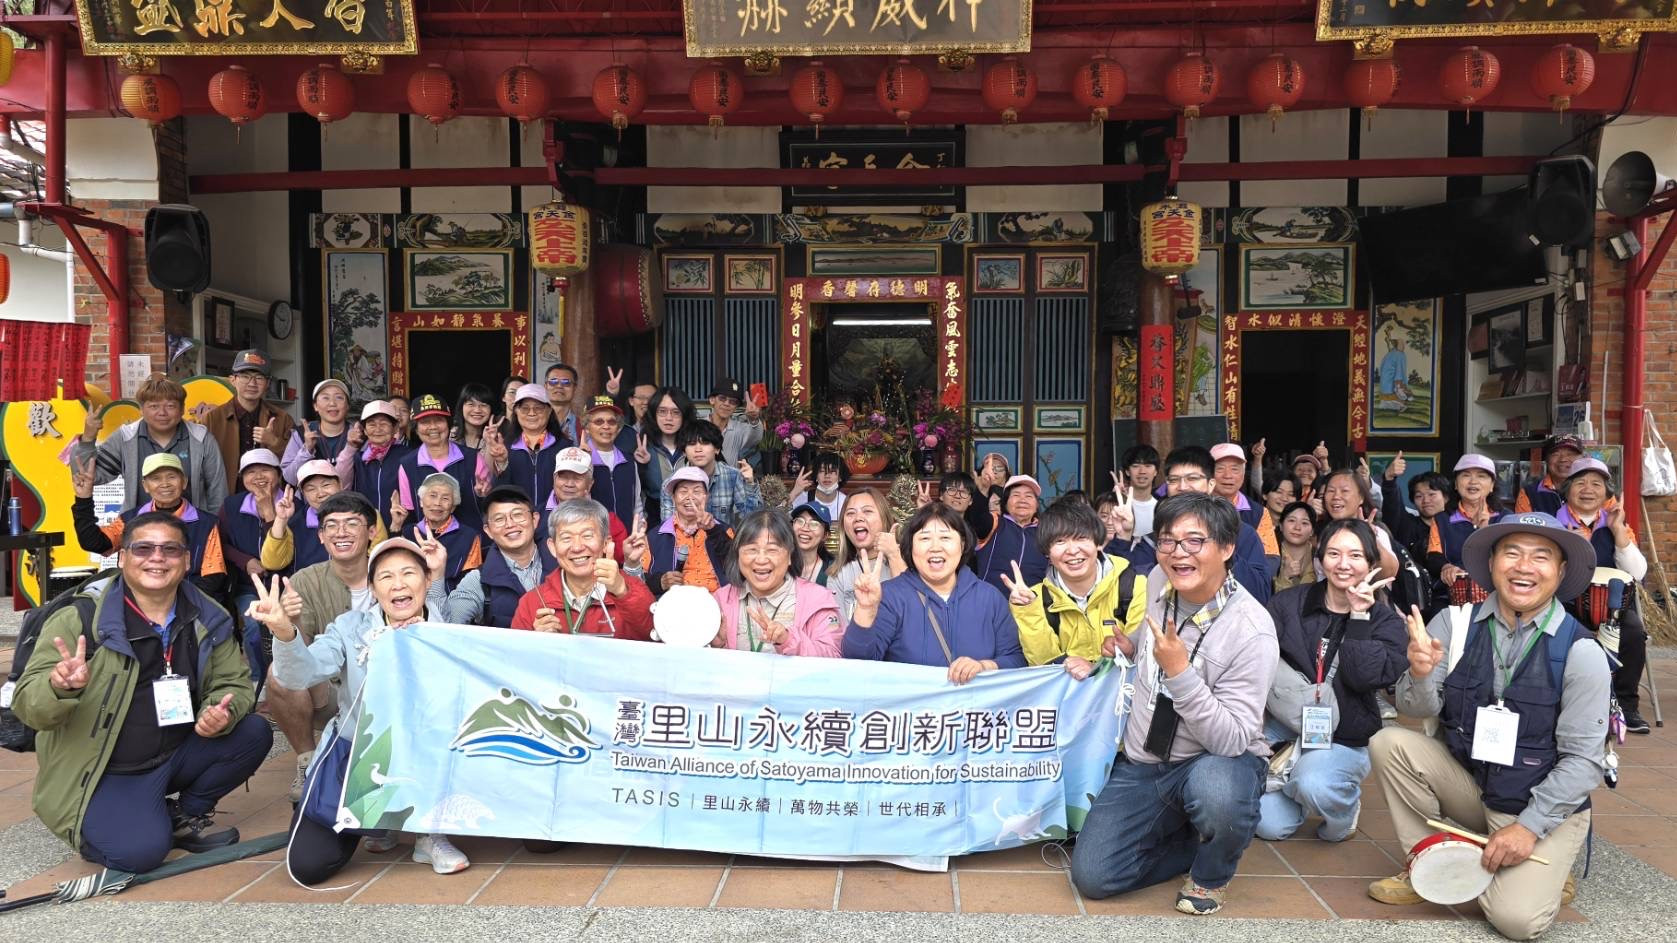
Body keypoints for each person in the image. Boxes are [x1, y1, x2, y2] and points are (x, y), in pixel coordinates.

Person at [1368, 512, 1607, 940]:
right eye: (1511, 553)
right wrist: (1420, 673)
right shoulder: (1454, 624)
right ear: (1493, 562)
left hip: (1535, 801)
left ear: (1560, 571)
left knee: (1516, 921)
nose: (1523, 566)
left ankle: (1542, 868)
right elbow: (1413, 707)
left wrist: (1528, 828)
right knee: (1390, 743)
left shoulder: (1582, 652)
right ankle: (1426, 860)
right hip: (1474, 783)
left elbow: (1585, 762)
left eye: (1541, 556)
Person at [11, 511, 271, 873]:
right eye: (143, 548)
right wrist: (59, 686)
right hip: (105, 768)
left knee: (253, 732)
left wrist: (219, 712)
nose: (157, 558)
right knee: (139, 854)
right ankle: (120, 819)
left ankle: (182, 814)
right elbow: (29, 707)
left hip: (174, 754)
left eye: (170, 549)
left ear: (186, 560)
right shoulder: (82, 618)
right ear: (123, 557)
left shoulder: (209, 616)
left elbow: (234, 684)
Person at [1070, 493, 1279, 916]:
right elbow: (1152, 641)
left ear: (1227, 547)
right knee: (1093, 877)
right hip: (1144, 761)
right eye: (1167, 540)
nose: (1178, 553)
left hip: (1212, 761)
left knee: (1219, 793)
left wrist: (1180, 672)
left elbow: (1233, 740)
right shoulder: (1157, 581)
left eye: (1194, 541)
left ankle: (1211, 871)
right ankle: (1188, 837)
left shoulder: (1252, 630)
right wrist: (1132, 647)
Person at [259, 536, 474, 881]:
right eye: (386, 576)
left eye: (408, 573)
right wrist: (285, 632)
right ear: (373, 589)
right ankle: (381, 822)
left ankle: (428, 833)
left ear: (427, 580)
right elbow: (301, 674)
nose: (398, 584)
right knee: (308, 864)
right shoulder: (350, 628)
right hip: (360, 755)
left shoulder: (447, 631)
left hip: (429, 756)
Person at [1257, 519, 1407, 843]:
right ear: (1320, 557)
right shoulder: (1288, 603)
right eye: (1334, 553)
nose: (1343, 564)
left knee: (1314, 784)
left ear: (1371, 562)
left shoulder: (1385, 621)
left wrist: (1359, 618)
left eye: (1355, 555)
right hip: (1286, 726)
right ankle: (1298, 779)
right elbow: (1256, 661)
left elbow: (1363, 677)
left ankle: (1342, 809)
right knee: (1268, 825)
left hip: (1344, 736)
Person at [264, 491, 384, 800]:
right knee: (278, 674)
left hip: (387, 689)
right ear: (320, 536)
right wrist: (287, 626)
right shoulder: (305, 581)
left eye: (351, 523)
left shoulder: (392, 574)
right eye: (331, 525)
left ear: (372, 531)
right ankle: (307, 761)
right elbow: (300, 659)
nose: (341, 532)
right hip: (332, 690)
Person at [841, 503, 1025, 682]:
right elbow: (857, 663)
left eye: (945, 538)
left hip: (974, 703)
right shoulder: (890, 596)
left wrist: (984, 666)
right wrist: (866, 609)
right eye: (925, 538)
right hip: (912, 703)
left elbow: (1016, 660)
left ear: (962, 544)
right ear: (911, 547)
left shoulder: (989, 598)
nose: (935, 547)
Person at [1556, 458, 1651, 733]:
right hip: (1565, 604)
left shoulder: (1616, 524)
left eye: (1596, 484)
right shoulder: (1553, 523)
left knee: (1633, 631)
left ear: (1606, 493)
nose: (1588, 489)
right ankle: (1568, 704)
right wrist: (1575, 548)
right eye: (1580, 483)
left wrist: (1618, 530)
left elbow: (1637, 572)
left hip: (1611, 608)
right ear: (1568, 489)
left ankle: (1625, 705)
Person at [1003, 500, 1147, 675]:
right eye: (1060, 541)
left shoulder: (1133, 586)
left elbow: (1141, 656)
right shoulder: (1035, 599)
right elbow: (1042, 666)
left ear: (1098, 543)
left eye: (1081, 538)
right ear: (1047, 552)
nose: (1072, 550)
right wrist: (1028, 611)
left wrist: (1096, 669)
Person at [72, 451, 228, 599]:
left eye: (172, 477)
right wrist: (83, 499)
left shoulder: (206, 523)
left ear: (184, 482)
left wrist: (174, 604)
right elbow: (95, 543)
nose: (165, 484)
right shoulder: (130, 520)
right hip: (137, 604)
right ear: (145, 486)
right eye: (155, 478)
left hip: (189, 605)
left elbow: (213, 576)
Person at [74, 372, 228, 513]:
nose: (162, 413)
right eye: (154, 406)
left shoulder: (201, 438)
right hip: (138, 528)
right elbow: (89, 477)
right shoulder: (126, 437)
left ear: (182, 409)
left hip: (192, 527)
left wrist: (212, 527)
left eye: (170, 406)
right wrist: (88, 439)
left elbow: (217, 492)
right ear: (141, 410)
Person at [509, 499, 654, 638]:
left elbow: (654, 638)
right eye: (566, 538)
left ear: (605, 543)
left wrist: (621, 590)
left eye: (587, 535)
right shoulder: (532, 603)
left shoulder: (630, 590)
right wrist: (536, 642)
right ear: (553, 547)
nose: (577, 547)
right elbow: (515, 654)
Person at [710, 509, 843, 656]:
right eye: (752, 550)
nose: (761, 560)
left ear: (790, 555)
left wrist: (788, 640)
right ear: (738, 555)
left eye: (772, 550)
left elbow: (834, 655)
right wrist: (717, 645)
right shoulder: (720, 601)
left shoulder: (817, 600)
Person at [1160, 446, 1273, 603]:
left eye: (1192, 478)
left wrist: (1223, 551)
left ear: (1210, 484)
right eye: (1174, 480)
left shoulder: (1241, 532)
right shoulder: (1160, 532)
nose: (1183, 487)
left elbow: (1261, 593)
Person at [436, 486, 556, 627]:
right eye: (499, 519)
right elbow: (444, 628)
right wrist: (436, 574)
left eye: (517, 515)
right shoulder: (479, 581)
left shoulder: (563, 565)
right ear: (488, 531)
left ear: (535, 520)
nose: (510, 524)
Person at [217, 449, 284, 690]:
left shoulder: (292, 504)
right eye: (251, 472)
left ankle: (284, 681)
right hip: (247, 584)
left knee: (284, 627)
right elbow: (220, 543)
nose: (258, 477)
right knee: (255, 625)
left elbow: (286, 548)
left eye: (265, 470)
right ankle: (259, 682)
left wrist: (269, 513)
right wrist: (244, 561)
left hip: (285, 583)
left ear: (278, 474)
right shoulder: (232, 505)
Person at [260, 461, 389, 574]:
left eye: (326, 485)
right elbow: (273, 563)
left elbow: (379, 559)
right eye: (311, 489)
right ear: (303, 494)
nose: (320, 493)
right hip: (308, 590)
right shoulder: (295, 522)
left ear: (340, 484)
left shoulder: (366, 514)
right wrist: (281, 519)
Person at [202, 349, 297, 491]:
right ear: (233, 380)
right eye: (245, 376)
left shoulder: (282, 418)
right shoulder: (212, 419)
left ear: (268, 383)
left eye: (259, 378)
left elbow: (295, 464)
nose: (252, 383)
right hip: (227, 495)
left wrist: (274, 442)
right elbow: (201, 465)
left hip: (269, 495)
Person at [395, 393, 490, 532]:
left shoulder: (473, 458)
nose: (433, 427)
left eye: (439, 420)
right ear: (415, 428)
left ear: (448, 424)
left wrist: (484, 495)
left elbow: (490, 505)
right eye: (425, 422)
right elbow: (410, 512)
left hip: (473, 540)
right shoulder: (407, 465)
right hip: (428, 541)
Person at [539, 447, 640, 566]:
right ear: (554, 479)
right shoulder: (535, 517)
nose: (569, 484)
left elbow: (623, 564)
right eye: (563, 477)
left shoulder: (608, 519)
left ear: (590, 484)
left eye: (577, 478)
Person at [1426, 454, 1508, 597]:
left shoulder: (1506, 518)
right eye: (1466, 475)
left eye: (1481, 476)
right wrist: (1446, 567)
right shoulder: (1442, 519)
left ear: (1492, 486)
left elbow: (1508, 558)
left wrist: (1484, 530)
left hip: (1496, 595)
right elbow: (1434, 556)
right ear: (1456, 484)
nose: (1473, 481)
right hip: (1453, 595)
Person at [392, 472, 485, 592]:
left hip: (452, 599)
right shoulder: (408, 532)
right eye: (432, 495)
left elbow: (469, 584)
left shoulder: (469, 537)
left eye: (445, 498)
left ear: (453, 507)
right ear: (421, 502)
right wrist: (396, 526)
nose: (437, 503)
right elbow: (394, 569)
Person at [660, 421, 763, 528]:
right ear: (684, 452)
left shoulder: (732, 476)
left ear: (717, 449)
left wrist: (750, 484)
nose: (698, 449)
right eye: (692, 444)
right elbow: (668, 528)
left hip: (722, 537)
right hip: (686, 538)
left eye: (705, 443)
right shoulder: (671, 484)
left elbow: (752, 519)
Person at [649, 467, 733, 595]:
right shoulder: (655, 536)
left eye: (696, 491)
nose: (690, 497)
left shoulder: (723, 530)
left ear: (707, 497)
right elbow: (639, 579)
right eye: (683, 491)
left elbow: (738, 565)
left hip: (718, 602)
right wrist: (660, 582)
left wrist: (713, 531)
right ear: (673, 498)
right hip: (674, 603)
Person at [489, 383, 569, 510]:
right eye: (525, 408)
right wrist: (502, 463)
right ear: (516, 411)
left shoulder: (565, 447)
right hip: (518, 517)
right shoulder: (505, 448)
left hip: (554, 516)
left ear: (549, 411)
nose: (531, 413)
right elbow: (499, 493)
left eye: (538, 408)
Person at [829, 487, 903, 622]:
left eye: (867, 511)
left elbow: (914, 610)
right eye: (850, 513)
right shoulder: (838, 574)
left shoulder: (910, 560)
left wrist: (894, 556)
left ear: (884, 519)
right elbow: (838, 629)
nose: (858, 518)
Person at [1316, 468, 1402, 579]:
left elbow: (1389, 572)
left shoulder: (1375, 532)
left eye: (1344, 491)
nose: (1336, 496)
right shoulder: (1324, 532)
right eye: (1331, 491)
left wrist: (1370, 538)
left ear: (1361, 497)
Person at [974, 474, 1049, 594]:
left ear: (1037, 505)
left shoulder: (1046, 532)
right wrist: (982, 491)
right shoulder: (995, 523)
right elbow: (977, 517)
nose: (1022, 500)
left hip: (1032, 601)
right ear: (1005, 503)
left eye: (1029, 496)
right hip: (991, 600)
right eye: (1016, 495)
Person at [281, 379, 360, 487]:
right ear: (315, 406)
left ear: (347, 406)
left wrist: (352, 446)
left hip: (348, 497)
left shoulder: (358, 436)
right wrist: (307, 450)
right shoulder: (302, 434)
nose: (332, 403)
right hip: (310, 498)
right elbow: (290, 478)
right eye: (325, 398)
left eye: (339, 397)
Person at [580, 395, 642, 531]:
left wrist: (637, 533)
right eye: (599, 422)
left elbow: (637, 506)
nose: (606, 426)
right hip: (594, 537)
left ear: (618, 428)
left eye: (612, 422)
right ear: (587, 427)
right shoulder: (579, 461)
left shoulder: (629, 461)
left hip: (627, 538)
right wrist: (585, 463)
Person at [351, 400, 412, 529]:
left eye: (384, 424)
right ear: (365, 430)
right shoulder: (359, 459)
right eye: (371, 424)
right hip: (368, 530)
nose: (378, 429)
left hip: (401, 526)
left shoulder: (408, 457)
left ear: (395, 428)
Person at [1211, 443, 1279, 555]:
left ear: (1243, 474)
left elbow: (1270, 557)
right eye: (1220, 468)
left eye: (1235, 469)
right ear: (1208, 473)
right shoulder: (1194, 505)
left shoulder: (1259, 513)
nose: (1228, 475)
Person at [639, 386, 695, 520]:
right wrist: (640, 465)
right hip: (654, 518)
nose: (668, 418)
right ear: (654, 414)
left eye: (676, 412)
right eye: (662, 411)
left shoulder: (695, 445)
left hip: (692, 515)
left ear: (684, 415)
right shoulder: (642, 446)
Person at [1516, 435, 1587, 515]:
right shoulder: (1529, 493)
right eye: (1555, 454)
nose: (1563, 459)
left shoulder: (1594, 490)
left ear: (1583, 459)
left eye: (1570, 454)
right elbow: (1523, 522)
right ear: (1546, 459)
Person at [708, 376, 764, 467]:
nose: (727, 404)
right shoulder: (698, 426)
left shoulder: (739, 428)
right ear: (712, 400)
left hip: (730, 476)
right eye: (722, 398)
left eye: (733, 401)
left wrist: (753, 419)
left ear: (736, 407)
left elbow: (755, 438)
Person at [788, 450, 847, 522]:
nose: (827, 476)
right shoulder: (803, 498)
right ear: (816, 476)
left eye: (832, 472)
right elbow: (778, 518)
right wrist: (793, 493)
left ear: (840, 477)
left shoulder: (845, 501)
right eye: (822, 471)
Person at [938, 470, 995, 543]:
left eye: (963, 492)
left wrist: (983, 490)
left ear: (970, 501)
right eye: (952, 490)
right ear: (941, 495)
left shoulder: (973, 529)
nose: (957, 495)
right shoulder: (932, 524)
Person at [1119, 444, 1162, 540]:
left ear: (1156, 471)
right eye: (1135, 466)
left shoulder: (1162, 507)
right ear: (1127, 471)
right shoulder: (1118, 505)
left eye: (1148, 466)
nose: (1142, 471)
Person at [1275, 502, 1318, 593]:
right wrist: (1285, 576)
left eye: (1304, 523)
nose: (1297, 527)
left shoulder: (1319, 557)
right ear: (1281, 525)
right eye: (1292, 520)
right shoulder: (1270, 555)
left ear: (1312, 531)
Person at [790, 502, 835, 586]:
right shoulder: (780, 563)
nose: (805, 528)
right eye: (800, 521)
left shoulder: (833, 569)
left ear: (825, 535)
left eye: (814, 524)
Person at [451, 382, 497, 450]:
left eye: (483, 405)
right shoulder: (448, 436)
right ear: (461, 407)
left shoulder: (497, 438)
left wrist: (490, 443)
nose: (477, 410)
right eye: (471, 404)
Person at [544, 362, 582, 443]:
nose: (559, 386)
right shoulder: (534, 422)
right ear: (546, 386)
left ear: (575, 388)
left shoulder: (582, 426)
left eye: (566, 382)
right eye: (553, 382)